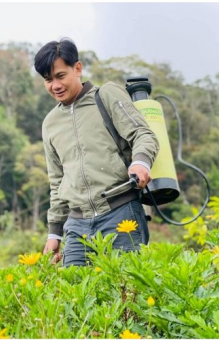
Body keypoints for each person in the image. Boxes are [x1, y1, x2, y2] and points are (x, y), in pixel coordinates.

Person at [35, 39, 160, 266]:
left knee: (125, 292)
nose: (55, 85)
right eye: (48, 80)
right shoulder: (50, 123)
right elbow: (57, 181)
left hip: (121, 214)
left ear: (78, 68)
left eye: (60, 76)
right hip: (76, 225)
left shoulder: (107, 96)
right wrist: (54, 233)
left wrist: (141, 163)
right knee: (75, 296)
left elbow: (143, 134)